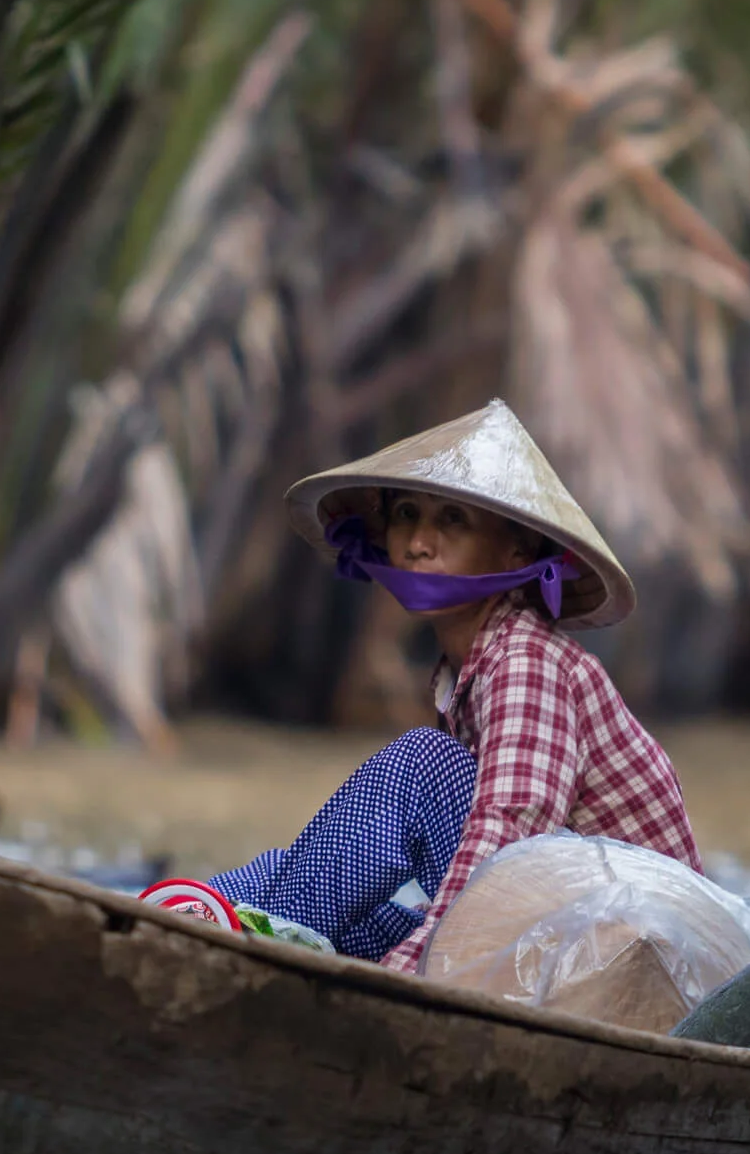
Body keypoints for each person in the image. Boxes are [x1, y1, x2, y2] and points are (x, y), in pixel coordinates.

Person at [209, 399, 699, 971]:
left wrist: (412, 969)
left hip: (631, 964)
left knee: (424, 762)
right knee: (305, 877)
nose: (419, 542)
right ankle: (195, 913)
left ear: (517, 549)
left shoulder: (526, 661)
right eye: (407, 515)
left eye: (452, 521)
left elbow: (509, 839)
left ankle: (249, 950)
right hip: (565, 936)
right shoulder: (467, 672)